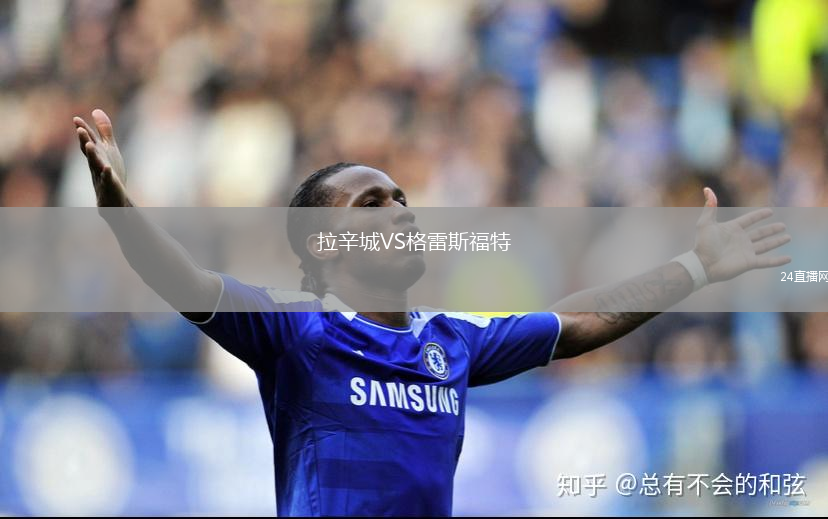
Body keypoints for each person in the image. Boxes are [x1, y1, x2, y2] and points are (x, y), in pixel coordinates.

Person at [73, 109, 790, 516]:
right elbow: (187, 282)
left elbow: (575, 323)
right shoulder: (298, 331)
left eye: (403, 199)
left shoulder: (452, 339)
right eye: (372, 204)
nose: (401, 213)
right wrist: (121, 212)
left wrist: (696, 267)